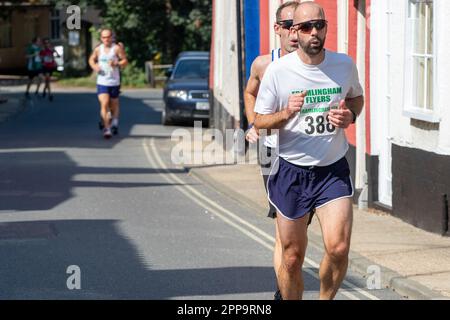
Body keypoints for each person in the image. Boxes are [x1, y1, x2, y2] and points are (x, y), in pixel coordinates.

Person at [254, 1, 364, 300]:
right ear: (293, 31)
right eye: (305, 27)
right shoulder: (277, 71)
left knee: (339, 248)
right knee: (291, 258)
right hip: (290, 170)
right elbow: (260, 123)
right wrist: (286, 113)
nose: (314, 32)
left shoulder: (344, 65)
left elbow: (356, 98)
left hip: (332, 168)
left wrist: (350, 116)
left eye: (320, 25)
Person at [244, 1, 300, 301]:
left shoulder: (318, 63)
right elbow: (250, 91)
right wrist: (254, 121)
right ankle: (284, 290)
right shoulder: (264, 64)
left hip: (310, 152)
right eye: (289, 26)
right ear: (277, 29)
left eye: (301, 25)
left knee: (299, 228)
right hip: (272, 151)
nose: (295, 32)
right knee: (285, 225)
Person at [89, 28, 128, 139]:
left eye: (108, 37)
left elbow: (125, 61)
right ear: (101, 38)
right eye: (104, 37)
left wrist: (117, 63)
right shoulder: (98, 49)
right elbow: (91, 60)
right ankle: (107, 129)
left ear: (111, 37)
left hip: (114, 81)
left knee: (114, 104)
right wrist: (95, 66)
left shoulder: (116, 49)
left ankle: (115, 122)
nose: (106, 39)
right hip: (102, 81)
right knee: (104, 104)